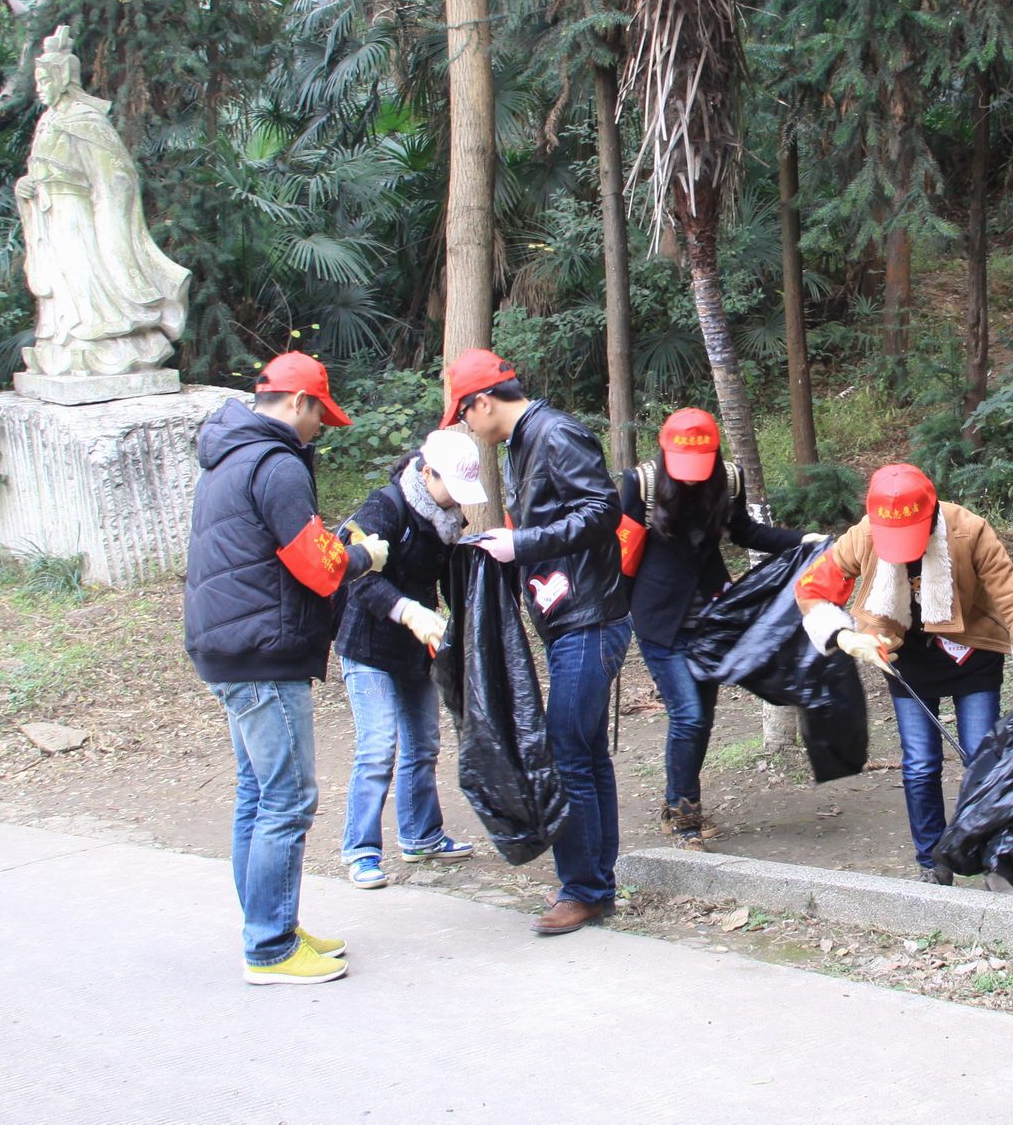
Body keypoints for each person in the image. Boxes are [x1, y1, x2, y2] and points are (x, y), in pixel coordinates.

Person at [184, 352, 389, 985]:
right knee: (287, 798)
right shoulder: (276, 464)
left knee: (257, 793)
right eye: (321, 415)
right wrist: (365, 556)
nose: (322, 428)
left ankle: (270, 924)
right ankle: (270, 947)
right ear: (298, 402)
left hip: (227, 646)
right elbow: (317, 568)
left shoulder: (228, 455)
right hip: (263, 653)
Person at [795, 463, 1013, 885]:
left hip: (971, 653)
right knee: (920, 764)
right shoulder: (863, 535)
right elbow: (812, 588)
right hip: (907, 658)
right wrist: (845, 636)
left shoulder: (970, 530)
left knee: (981, 758)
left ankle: (994, 858)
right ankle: (931, 861)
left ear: (932, 511)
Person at [441, 348, 631, 935]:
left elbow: (603, 510)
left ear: (483, 402)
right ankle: (595, 884)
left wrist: (521, 545)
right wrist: (512, 544)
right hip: (570, 618)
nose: (466, 426)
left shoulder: (555, 433)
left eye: (463, 415)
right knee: (585, 752)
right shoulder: (524, 442)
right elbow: (558, 519)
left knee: (565, 752)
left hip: (591, 620)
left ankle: (584, 890)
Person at [619, 408, 813, 848]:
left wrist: (803, 540)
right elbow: (622, 554)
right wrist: (613, 616)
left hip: (711, 618)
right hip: (659, 621)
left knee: (701, 720)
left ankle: (675, 802)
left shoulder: (728, 479)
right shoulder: (641, 483)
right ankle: (685, 816)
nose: (691, 478)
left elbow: (745, 532)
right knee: (688, 716)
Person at [334, 429, 486, 889]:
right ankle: (361, 850)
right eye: (450, 487)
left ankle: (421, 835)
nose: (455, 500)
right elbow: (357, 577)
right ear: (426, 473)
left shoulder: (447, 518)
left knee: (424, 744)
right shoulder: (385, 507)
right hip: (369, 645)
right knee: (378, 747)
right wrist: (407, 611)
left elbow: (445, 579)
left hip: (416, 648)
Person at [15, 25, 190, 376]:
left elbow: (117, 177)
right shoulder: (48, 121)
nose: (40, 87)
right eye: (38, 80)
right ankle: (68, 343)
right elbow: (39, 169)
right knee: (63, 282)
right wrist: (27, 188)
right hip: (51, 215)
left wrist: (110, 221)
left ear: (63, 78)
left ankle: (106, 342)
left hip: (78, 214)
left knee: (85, 276)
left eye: (45, 79)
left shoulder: (86, 119)